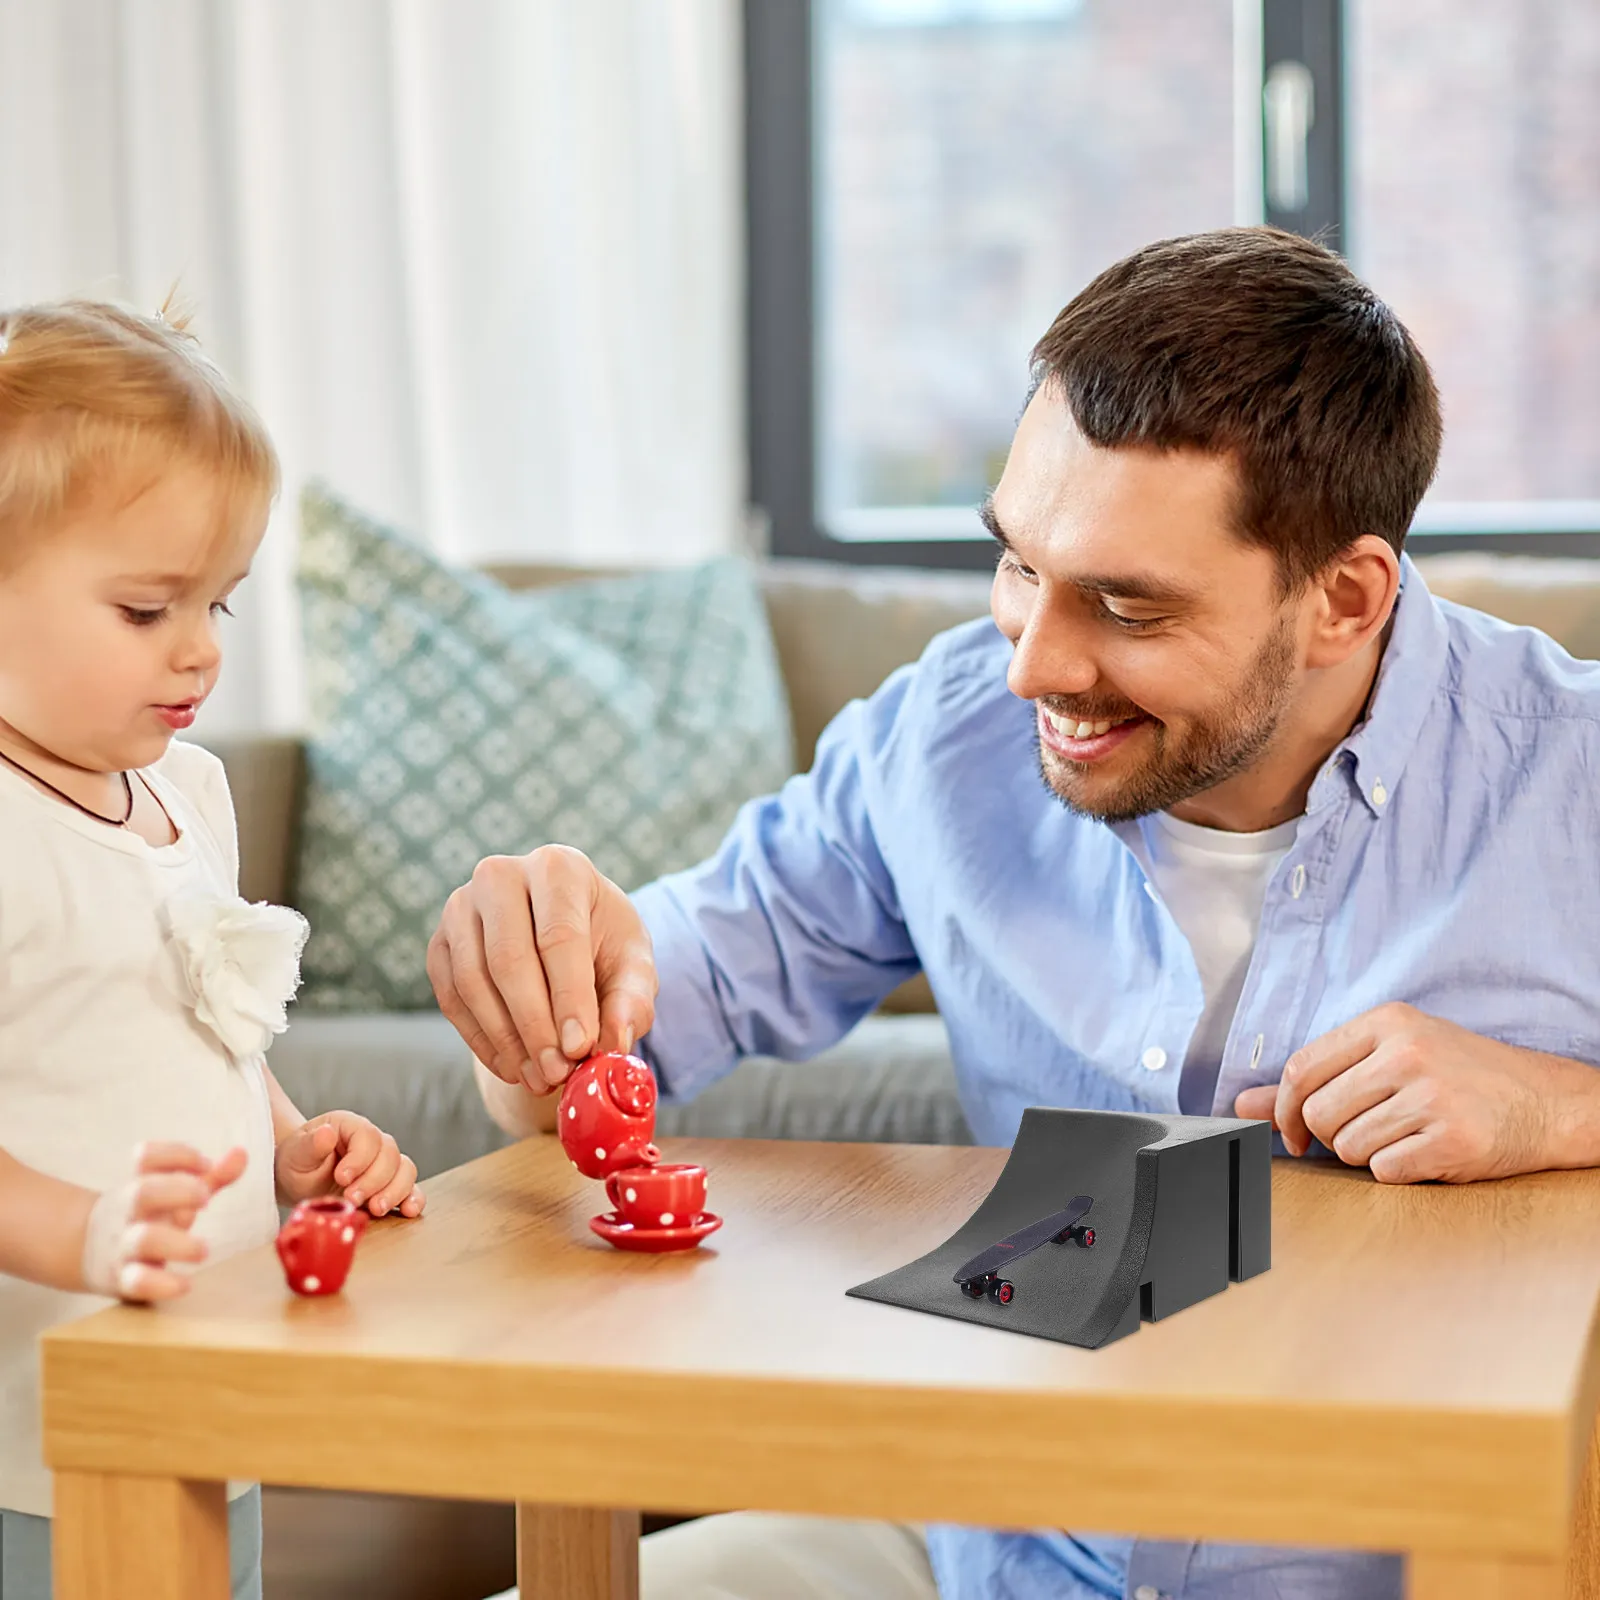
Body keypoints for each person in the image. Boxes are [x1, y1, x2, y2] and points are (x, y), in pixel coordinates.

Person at [429, 228, 1600, 1599]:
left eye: (1126, 607)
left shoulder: (1569, 772)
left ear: (1344, 599)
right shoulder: (941, 738)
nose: (1033, 665)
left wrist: (1566, 1112)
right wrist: (540, 984)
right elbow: (597, 1056)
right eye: (1020, 566)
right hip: (1001, 1552)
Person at [0, 300, 426, 1599]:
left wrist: (292, 1146)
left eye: (219, 603)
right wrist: (84, 1235)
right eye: (146, 610)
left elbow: (205, 1023)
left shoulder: (189, 793)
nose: (200, 651)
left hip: (207, 1384)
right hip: (41, 1432)